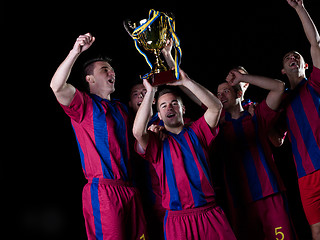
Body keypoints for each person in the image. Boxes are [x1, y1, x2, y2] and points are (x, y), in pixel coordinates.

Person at [50, 33, 147, 240]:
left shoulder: (121, 108)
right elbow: (56, 86)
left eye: (112, 69)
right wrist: (75, 51)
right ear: (90, 79)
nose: (112, 72)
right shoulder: (84, 105)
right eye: (105, 69)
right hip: (105, 193)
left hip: (131, 190)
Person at [132, 70, 236, 239]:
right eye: (163, 106)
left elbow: (216, 107)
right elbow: (137, 131)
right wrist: (150, 92)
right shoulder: (156, 141)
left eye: (174, 103)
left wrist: (187, 82)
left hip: (209, 212)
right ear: (159, 115)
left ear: (183, 109)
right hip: (177, 219)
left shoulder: (197, 131)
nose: (169, 107)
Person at [216, 69, 297, 240]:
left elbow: (279, 87)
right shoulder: (216, 126)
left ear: (239, 93)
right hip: (240, 201)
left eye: (226, 91)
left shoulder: (255, 114)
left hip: (269, 194)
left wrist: (244, 78)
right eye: (218, 93)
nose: (221, 96)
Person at [280, 0, 320, 238]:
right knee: (316, 231)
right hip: (306, 175)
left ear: (304, 65)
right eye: (287, 58)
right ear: (283, 70)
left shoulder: (315, 84)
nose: (292, 57)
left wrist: (300, 8)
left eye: (296, 56)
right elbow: (277, 140)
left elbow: (315, 43)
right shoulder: (281, 101)